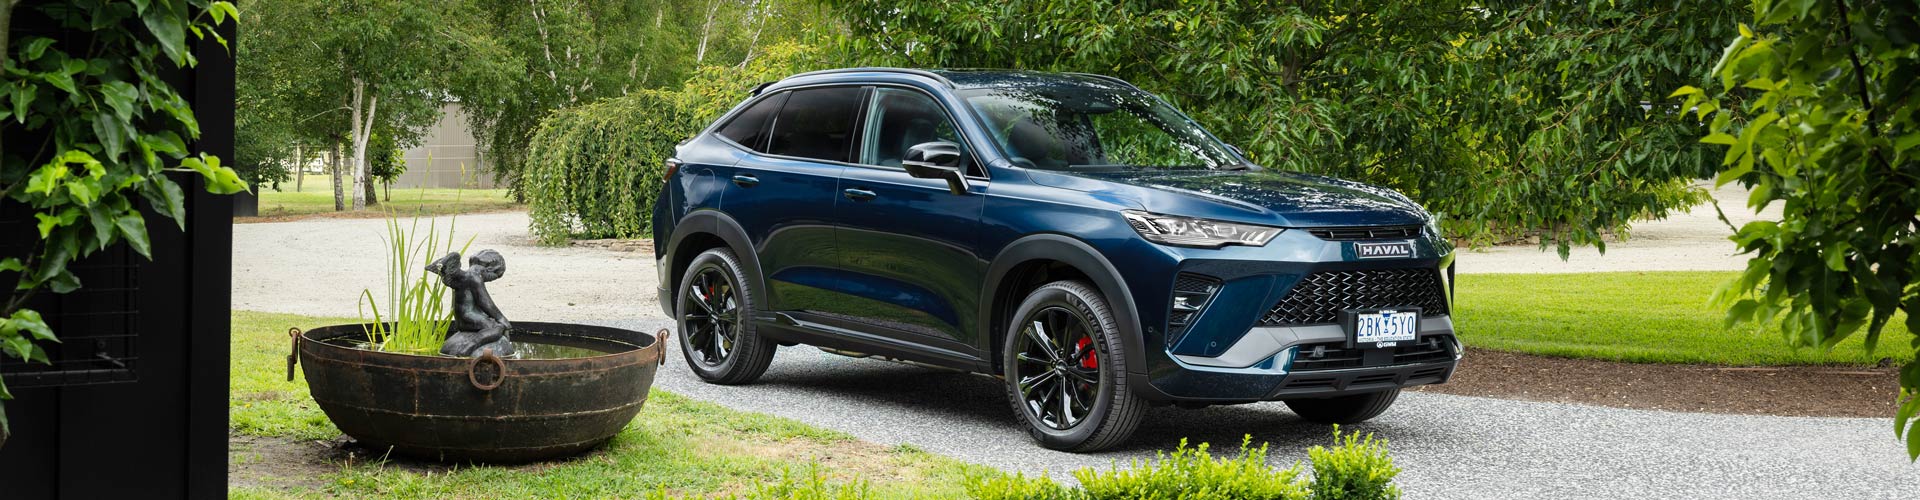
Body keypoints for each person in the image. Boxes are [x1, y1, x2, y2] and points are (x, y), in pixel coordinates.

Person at [426, 249, 514, 357]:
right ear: (489, 269)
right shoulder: (475, 277)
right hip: (470, 318)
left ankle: (471, 343)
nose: (490, 280)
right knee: (497, 328)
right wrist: (502, 319)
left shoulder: (464, 276)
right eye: (494, 276)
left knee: (493, 323)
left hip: (462, 320)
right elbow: (485, 303)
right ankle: (471, 345)